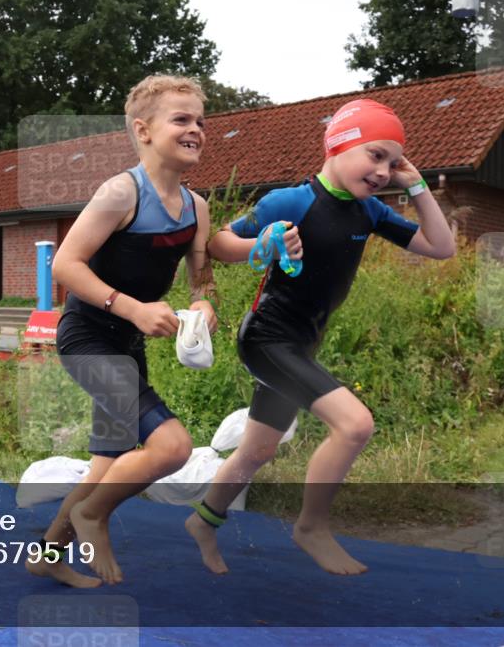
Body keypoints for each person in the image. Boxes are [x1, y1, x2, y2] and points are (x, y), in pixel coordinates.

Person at [186, 99, 456, 576]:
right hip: (267, 340)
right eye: (375, 155)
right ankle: (311, 527)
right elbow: (219, 245)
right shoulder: (291, 202)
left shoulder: (370, 211)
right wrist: (262, 244)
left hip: (301, 344)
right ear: (338, 146)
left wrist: (415, 185)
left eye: (393, 162)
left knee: (257, 450)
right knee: (355, 425)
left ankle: (203, 521)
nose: (383, 171)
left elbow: (441, 247)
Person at [26, 75, 218, 587]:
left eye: (201, 121)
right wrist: (132, 308)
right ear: (143, 130)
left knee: (105, 465)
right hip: (88, 338)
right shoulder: (120, 192)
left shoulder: (196, 208)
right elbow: (65, 265)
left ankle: (48, 554)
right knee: (173, 447)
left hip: (127, 346)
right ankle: (93, 515)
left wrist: (203, 303)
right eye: (181, 119)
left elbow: (202, 277)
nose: (196, 129)